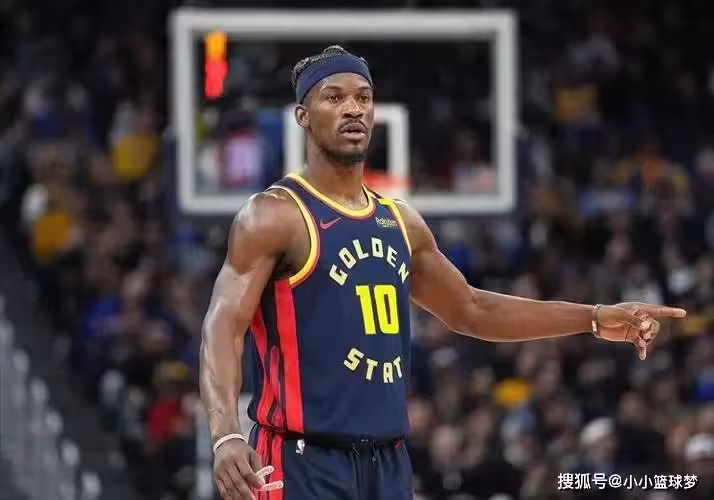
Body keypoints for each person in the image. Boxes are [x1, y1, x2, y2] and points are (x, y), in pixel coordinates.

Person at [199, 45, 687, 500]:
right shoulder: (275, 215)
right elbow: (223, 327)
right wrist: (225, 435)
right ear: (303, 115)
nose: (353, 109)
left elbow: (473, 309)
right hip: (302, 458)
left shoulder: (401, 222)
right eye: (335, 97)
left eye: (363, 98)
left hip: (389, 461)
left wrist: (594, 317)